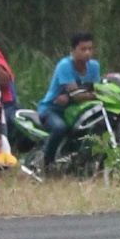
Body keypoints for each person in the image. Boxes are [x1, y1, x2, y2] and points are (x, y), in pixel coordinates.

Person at [37, 32, 101, 169]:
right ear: (73, 51)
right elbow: (77, 94)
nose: (87, 53)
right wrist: (91, 95)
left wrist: (82, 95)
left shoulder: (94, 66)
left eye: (90, 49)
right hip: (53, 109)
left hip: (76, 110)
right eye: (83, 49)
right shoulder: (65, 66)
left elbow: (95, 89)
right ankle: (47, 164)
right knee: (60, 128)